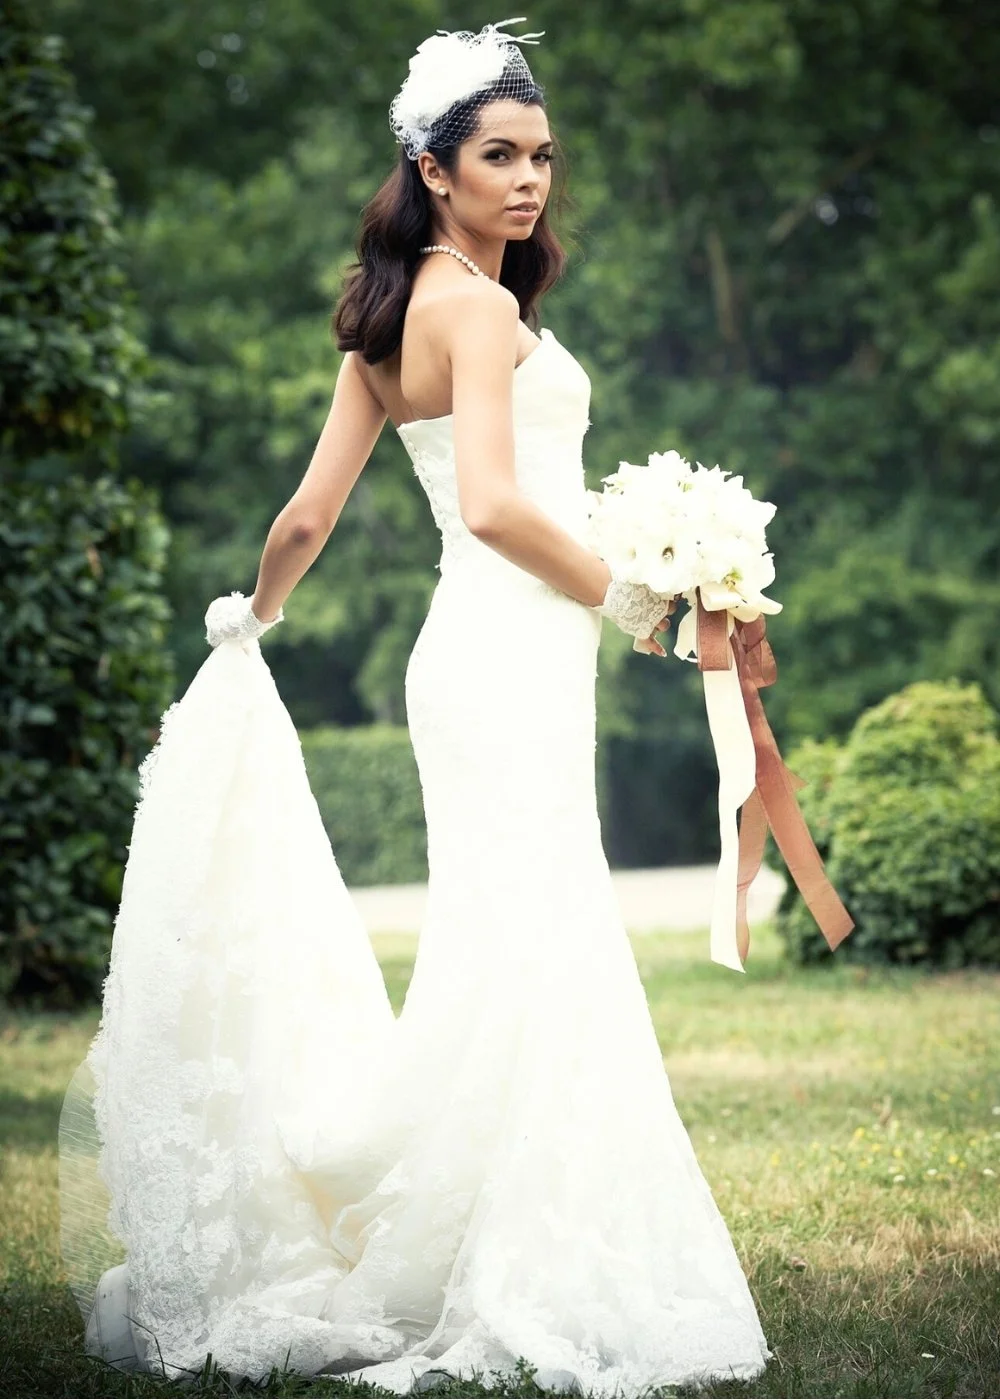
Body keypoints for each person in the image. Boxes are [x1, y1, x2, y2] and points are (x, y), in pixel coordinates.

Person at [57, 17, 773, 1398]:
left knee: (505, 937)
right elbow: (500, 508)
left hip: (471, 658)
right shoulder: (481, 312)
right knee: (539, 929)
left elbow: (308, 514)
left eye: (544, 155)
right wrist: (656, 613)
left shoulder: (386, 324)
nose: (531, 179)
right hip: (507, 649)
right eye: (499, 155)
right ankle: (518, 1255)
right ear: (433, 171)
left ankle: (454, 1224)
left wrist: (248, 619)